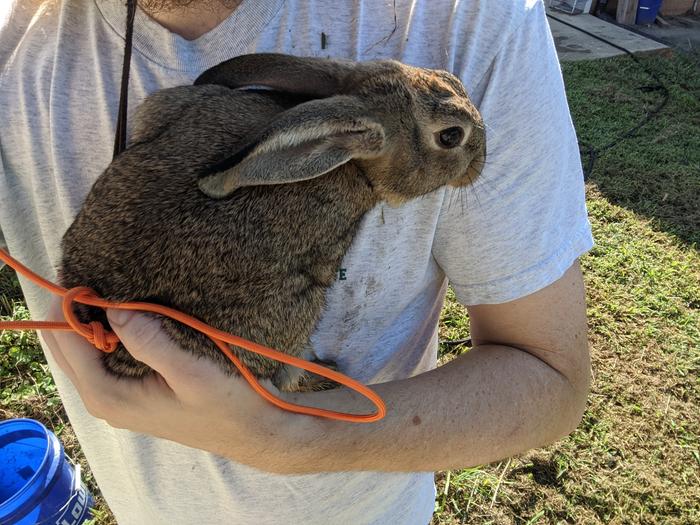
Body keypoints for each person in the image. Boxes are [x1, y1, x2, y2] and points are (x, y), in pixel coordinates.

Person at [0, 0, 593, 523]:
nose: (469, 169)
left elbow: (549, 375)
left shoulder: (467, 18)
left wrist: (293, 438)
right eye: (450, 142)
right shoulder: (17, 46)